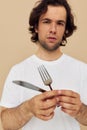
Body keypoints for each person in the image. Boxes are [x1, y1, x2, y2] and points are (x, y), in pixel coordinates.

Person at [0, 0, 87, 130]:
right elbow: (6, 124)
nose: (53, 29)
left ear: (65, 29)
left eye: (60, 23)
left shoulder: (82, 70)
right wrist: (28, 108)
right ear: (36, 26)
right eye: (46, 22)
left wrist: (80, 110)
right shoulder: (18, 71)